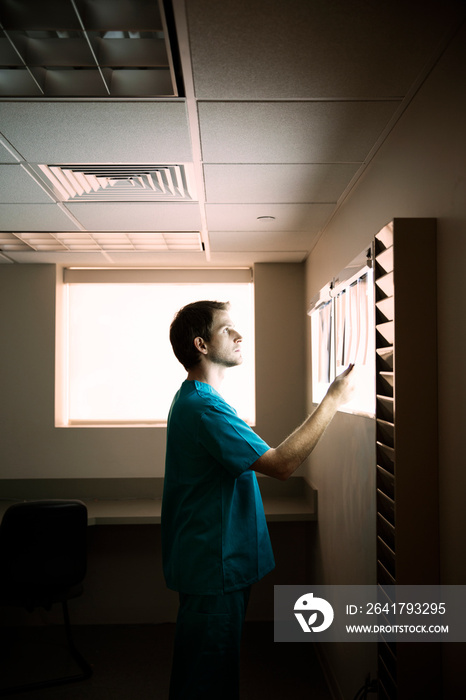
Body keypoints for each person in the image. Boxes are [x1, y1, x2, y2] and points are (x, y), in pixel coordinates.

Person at [161, 300, 355, 700]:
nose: (239, 335)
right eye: (226, 329)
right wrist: (333, 398)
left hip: (213, 560)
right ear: (200, 344)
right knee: (205, 679)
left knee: (212, 671)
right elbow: (281, 464)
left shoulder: (200, 399)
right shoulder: (203, 408)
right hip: (214, 565)